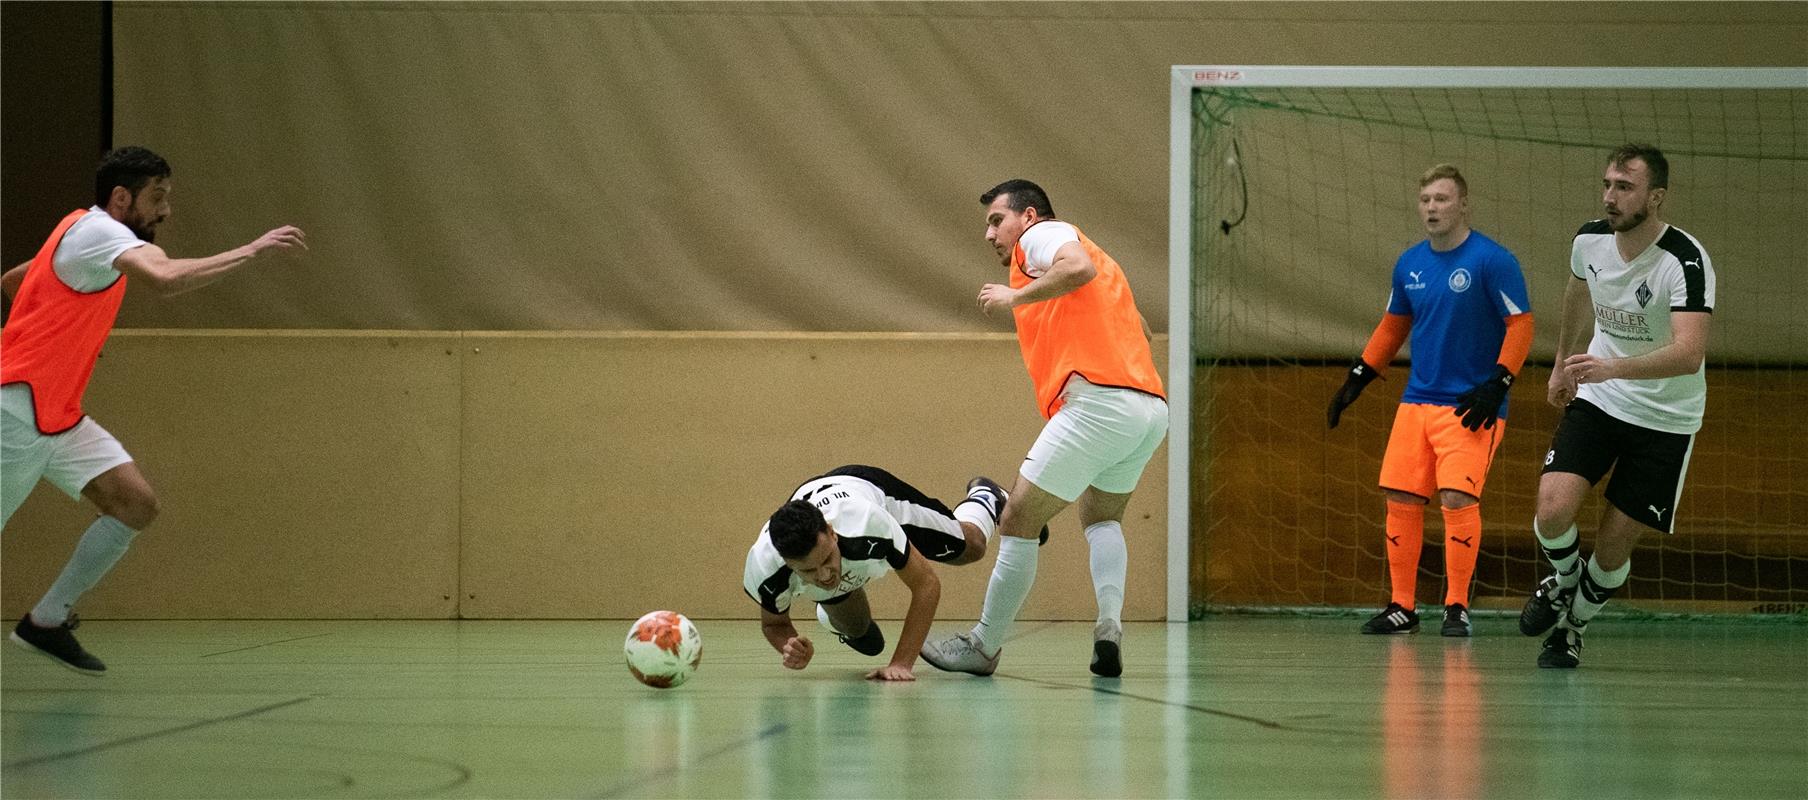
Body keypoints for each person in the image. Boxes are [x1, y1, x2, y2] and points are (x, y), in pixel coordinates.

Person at [1, 146, 306, 674]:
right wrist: (252, 251)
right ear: (121, 199)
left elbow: (12, 282)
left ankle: (46, 622)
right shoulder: (102, 234)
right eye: (157, 198)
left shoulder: (75, 229)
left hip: (57, 413)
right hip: (16, 410)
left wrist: (55, 333)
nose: (165, 211)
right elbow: (166, 280)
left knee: (134, 504)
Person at [920, 179, 1167, 678]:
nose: (990, 234)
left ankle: (983, 645)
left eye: (996, 221)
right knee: (1102, 518)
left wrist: (1015, 297)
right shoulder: (1108, 265)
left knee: (1016, 520)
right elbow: (1137, 325)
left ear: (1028, 217)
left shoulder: (1045, 237)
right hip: (1148, 409)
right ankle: (1109, 627)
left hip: (1096, 403)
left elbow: (1075, 267)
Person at [1519, 144, 1714, 669]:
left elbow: (1689, 351)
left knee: (1610, 551)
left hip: (1666, 418)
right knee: (1552, 508)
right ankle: (1561, 582)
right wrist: (1563, 361)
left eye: (1623, 187)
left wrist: (1612, 368)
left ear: (1656, 198)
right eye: (1607, 184)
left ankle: (1572, 628)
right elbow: (1577, 292)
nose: (1610, 196)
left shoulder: (1686, 261)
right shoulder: (1590, 239)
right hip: (1602, 397)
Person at [1326, 164, 1533, 637]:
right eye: (1425, 200)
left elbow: (1521, 325)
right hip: (1417, 400)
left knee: (1458, 497)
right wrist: (1359, 375)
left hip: (1470, 404)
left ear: (1463, 204)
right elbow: (1394, 324)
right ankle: (1403, 606)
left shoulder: (1493, 260)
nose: (1433, 208)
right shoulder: (1409, 264)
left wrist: (1499, 382)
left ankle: (1457, 605)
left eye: (1442, 199)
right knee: (1400, 496)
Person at [743, 465, 1009, 681]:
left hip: (872, 492)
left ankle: (986, 496)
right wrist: (789, 646)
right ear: (787, 562)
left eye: (827, 559)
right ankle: (832, 611)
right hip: (836, 533)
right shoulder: (765, 566)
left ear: (832, 533)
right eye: (809, 570)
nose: (824, 575)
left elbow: (926, 584)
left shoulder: (869, 522)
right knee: (864, 637)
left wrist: (901, 664)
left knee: (971, 547)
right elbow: (774, 624)